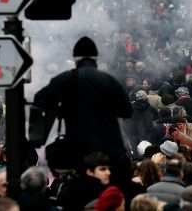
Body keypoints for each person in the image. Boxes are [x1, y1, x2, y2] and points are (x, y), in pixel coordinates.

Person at [32, 37, 133, 171]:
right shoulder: (110, 81)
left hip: (79, 151)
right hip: (110, 150)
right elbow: (127, 111)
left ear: (75, 59)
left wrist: (37, 138)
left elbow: (40, 100)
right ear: (96, 59)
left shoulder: (66, 79)